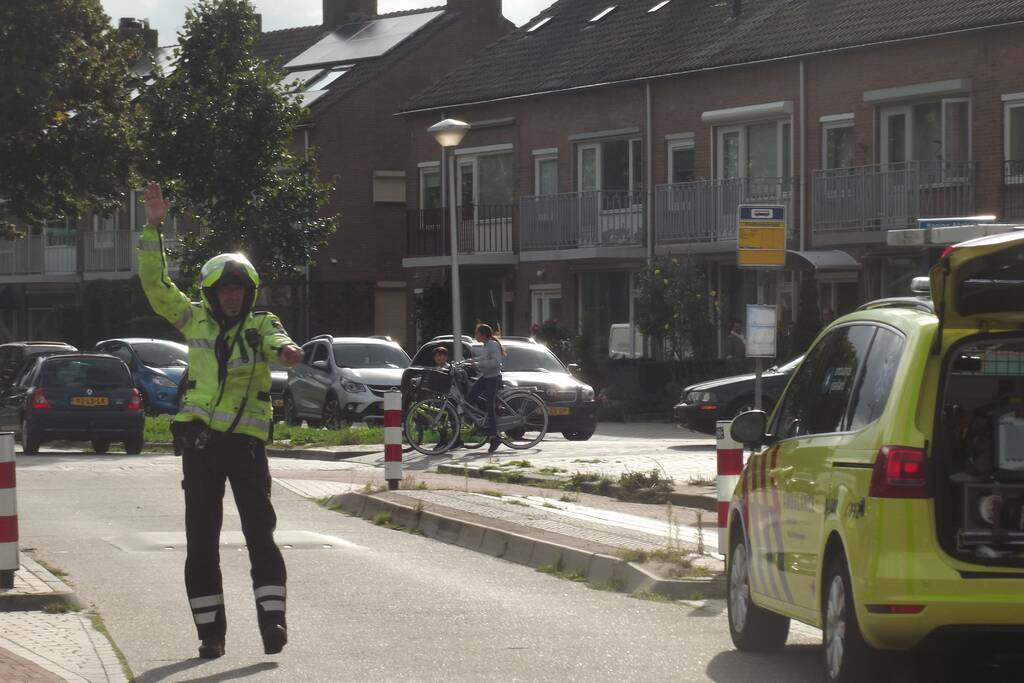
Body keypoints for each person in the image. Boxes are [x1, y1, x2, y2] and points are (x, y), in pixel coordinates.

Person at [138, 182, 304, 660]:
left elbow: (279, 341)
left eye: (239, 290)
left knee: (260, 534)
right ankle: (211, 633)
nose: (232, 298)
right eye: (225, 290)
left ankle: (272, 619)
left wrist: (289, 353)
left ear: (249, 294)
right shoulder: (194, 322)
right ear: (211, 294)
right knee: (201, 540)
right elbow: (155, 286)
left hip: (248, 447)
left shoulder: (261, 325)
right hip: (201, 446)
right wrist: (153, 227)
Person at [467, 324, 504, 453]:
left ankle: (495, 436)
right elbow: (483, 359)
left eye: (477, 333)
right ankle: (483, 422)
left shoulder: (492, 344)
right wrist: (468, 361)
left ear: (483, 334)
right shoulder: (486, 345)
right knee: (471, 396)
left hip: (493, 378)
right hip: (486, 377)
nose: (475, 336)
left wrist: (479, 364)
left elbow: (496, 362)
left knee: (489, 405)